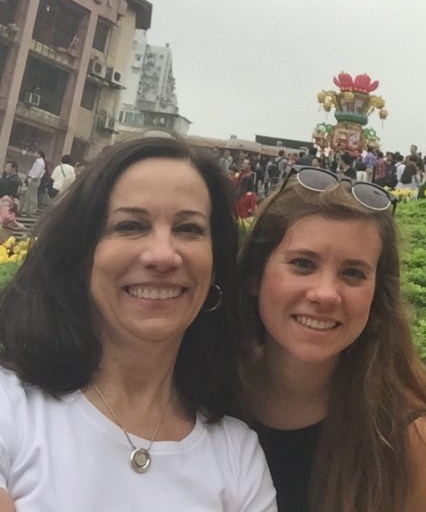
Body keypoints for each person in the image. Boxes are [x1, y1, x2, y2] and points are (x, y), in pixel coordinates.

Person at [0, 137, 276, 510]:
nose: (163, 255)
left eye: (189, 229)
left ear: (216, 267)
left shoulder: (237, 455)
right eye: (130, 225)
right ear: (82, 254)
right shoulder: (11, 408)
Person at [236, 165, 426, 512]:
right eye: (303, 264)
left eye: (353, 273)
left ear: (376, 294)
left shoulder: (408, 437)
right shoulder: (200, 392)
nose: (326, 294)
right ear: (254, 275)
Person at [20, 150, 45, 217]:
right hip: (33, 179)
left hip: (34, 179)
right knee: (29, 195)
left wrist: (30, 178)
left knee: (32, 195)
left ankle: (32, 210)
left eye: (36, 153)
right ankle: (27, 209)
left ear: (39, 154)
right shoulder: (39, 162)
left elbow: (36, 172)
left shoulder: (39, 162)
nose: (34, 154)